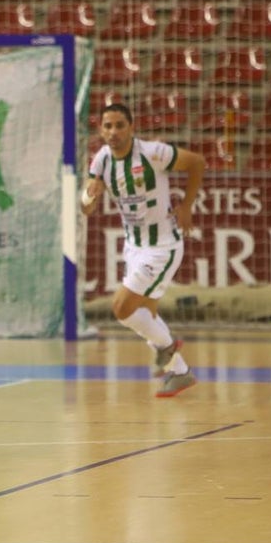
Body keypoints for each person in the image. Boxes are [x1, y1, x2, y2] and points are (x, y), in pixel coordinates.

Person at [81, 102, 206, 398]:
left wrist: (187, 205)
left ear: (132, 128)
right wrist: (89, 196)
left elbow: (197, 162)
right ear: (101, 130)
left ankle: (167, 346)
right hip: (134, 247)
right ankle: (179, 372)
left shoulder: (153, 153)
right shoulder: (101, 160)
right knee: (146, 316)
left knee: (122, 308)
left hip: (162, 246)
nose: (113, 132)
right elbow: (86, 208)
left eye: (119, 125)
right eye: (107, 126)